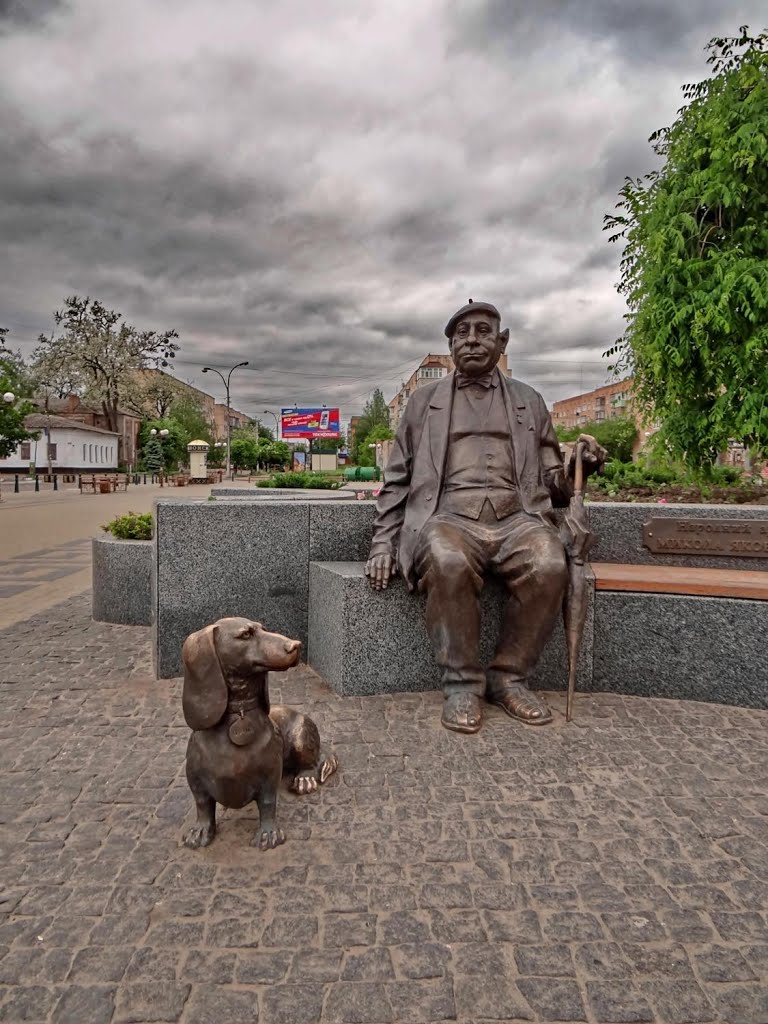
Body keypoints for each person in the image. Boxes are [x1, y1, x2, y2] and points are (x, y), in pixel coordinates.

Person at [365, 300, 605, 733]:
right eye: (461, 333)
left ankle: (509, 678)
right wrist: (382, 543)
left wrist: (579, 466)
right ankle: (461, 684)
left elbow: (554, 483)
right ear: (450, 343)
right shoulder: (422, 404)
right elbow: (396, 480)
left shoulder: (529, 401)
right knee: (446, 558)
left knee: (550, 562)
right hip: (448, 518)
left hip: (518, 519)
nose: (471, 340)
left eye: (482, 331)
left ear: (502, 340)